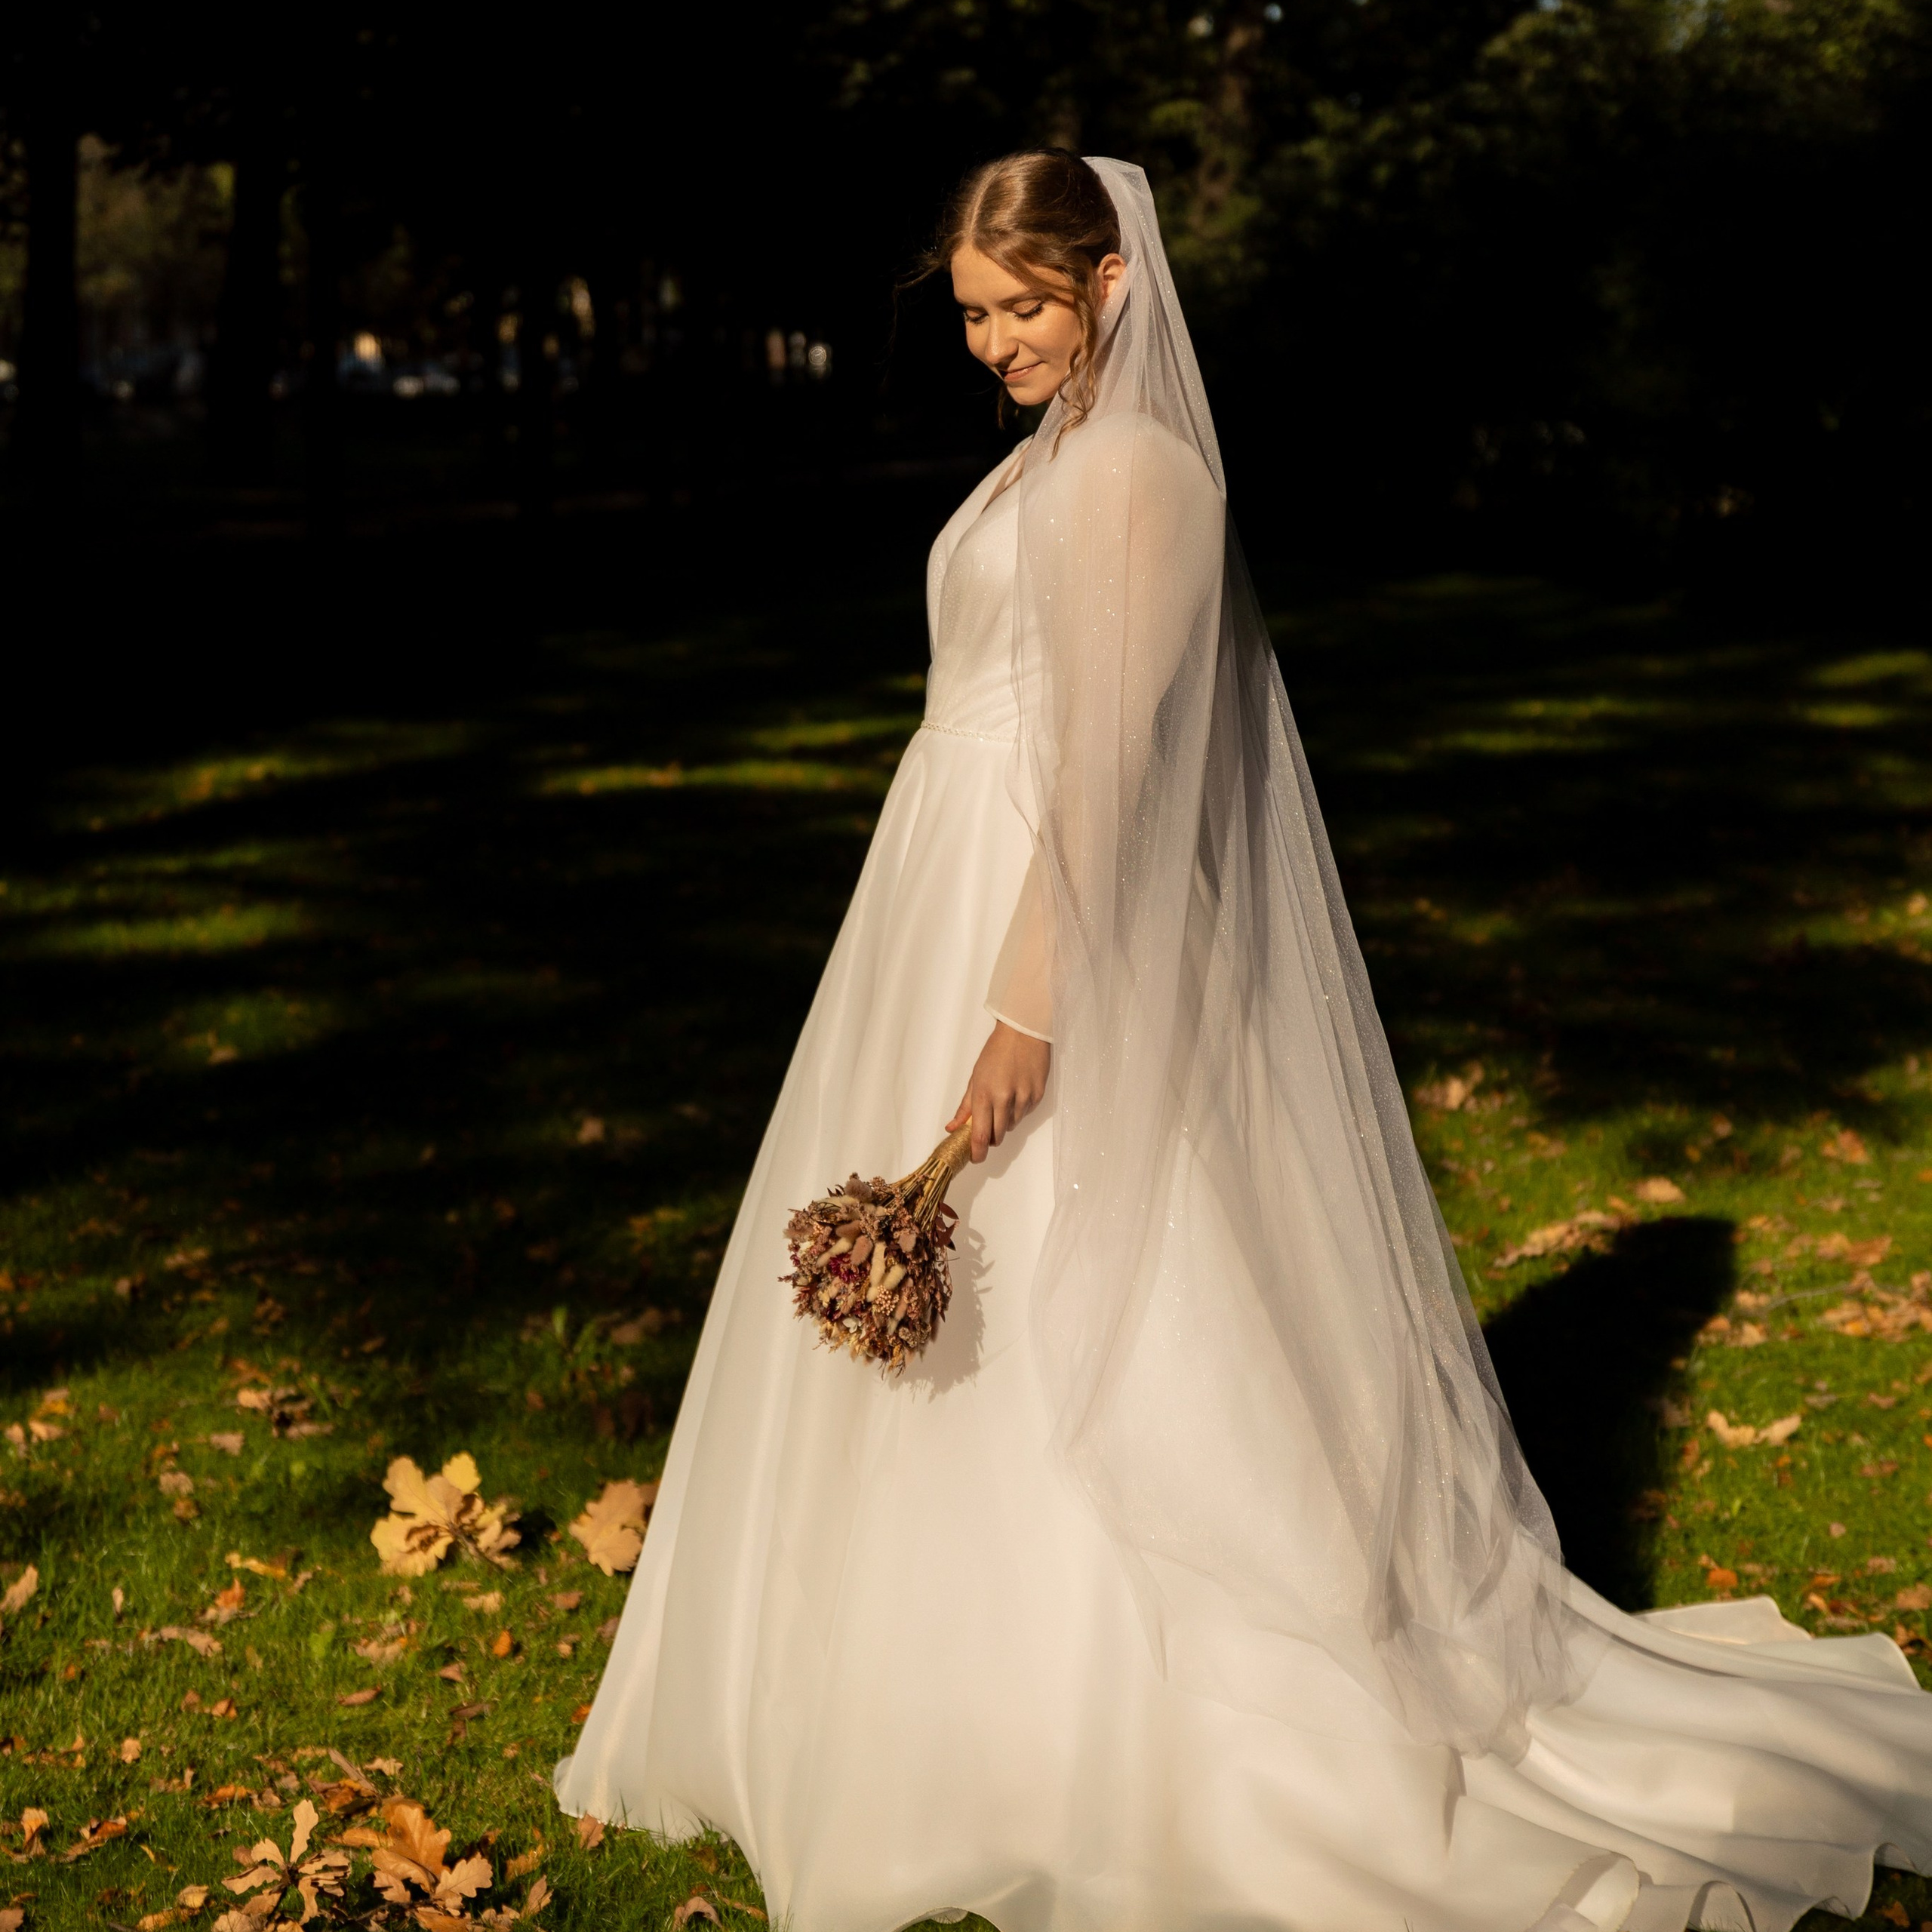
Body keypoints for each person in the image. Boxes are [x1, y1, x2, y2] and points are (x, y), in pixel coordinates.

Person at [556, 150, 1932, 1932]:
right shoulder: (1047, 458)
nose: (993, 344)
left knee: (1084, 1295)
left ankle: (1101, 1712)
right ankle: (896, 1691)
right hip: (935, 889)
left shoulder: (1135, 472)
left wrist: (1025, 1002)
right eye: (973, 314)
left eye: (1022, 308)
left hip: (1042, 925)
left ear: (1111, 282)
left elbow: (1113, 775)